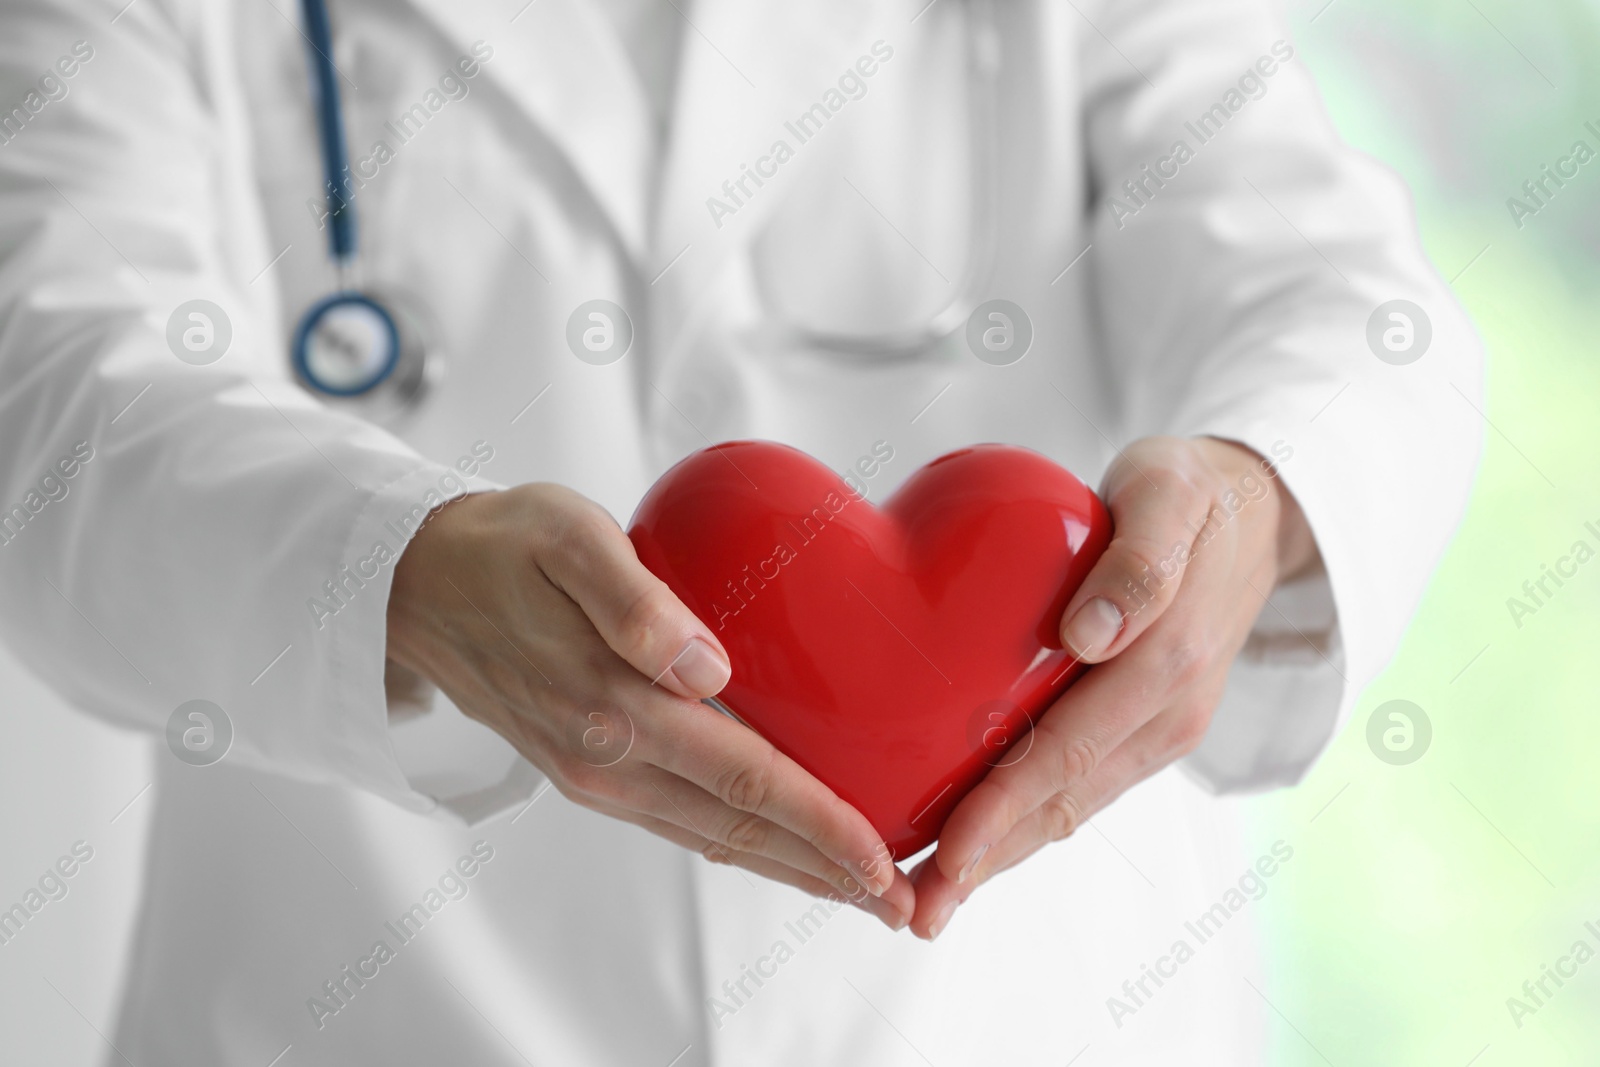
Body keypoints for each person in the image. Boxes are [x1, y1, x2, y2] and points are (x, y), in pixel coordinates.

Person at [0, 0, 1479, 1063]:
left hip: (1021, 1021)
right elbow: (42, 397)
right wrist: (394, 570)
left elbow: (1349, 307)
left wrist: (1258, 488)